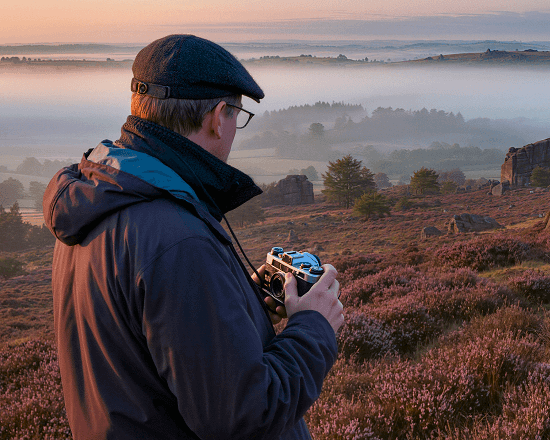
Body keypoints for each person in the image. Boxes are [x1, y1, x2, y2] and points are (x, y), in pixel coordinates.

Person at [43, 34, 343, 439]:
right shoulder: (176, 240)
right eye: (237, 114)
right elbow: (242, 415)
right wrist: (313, 328)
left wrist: (243, 305)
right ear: (217, 116)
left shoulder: (92, 202)